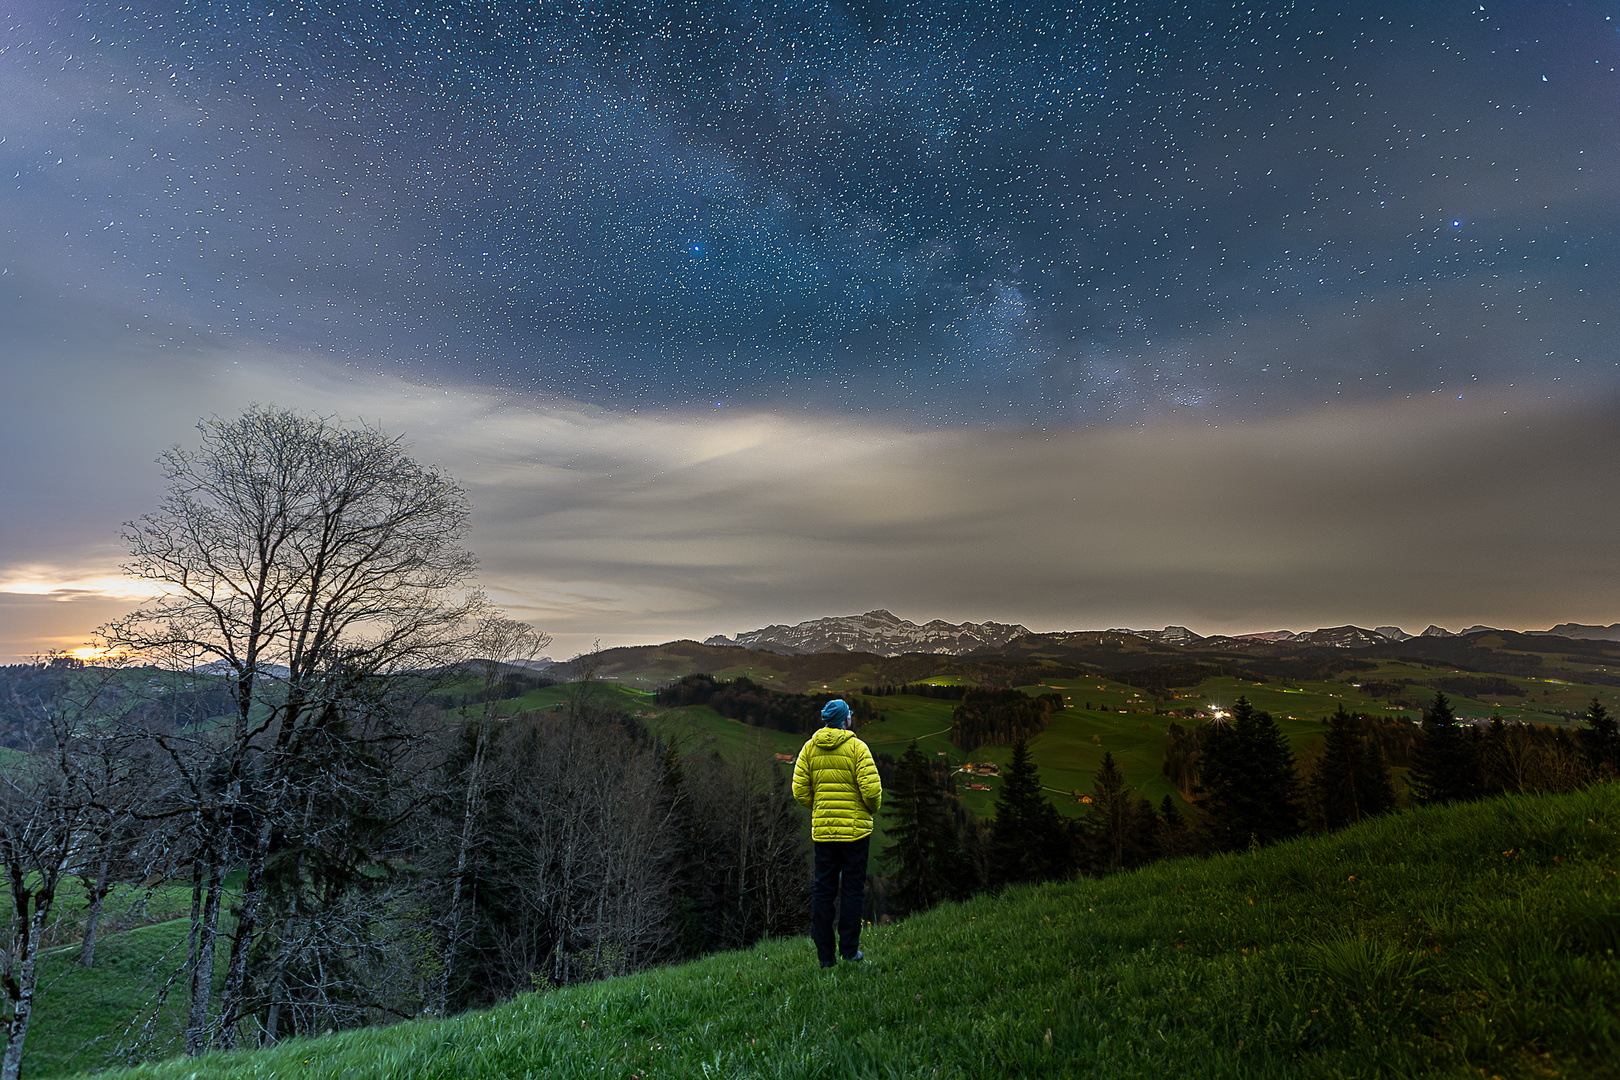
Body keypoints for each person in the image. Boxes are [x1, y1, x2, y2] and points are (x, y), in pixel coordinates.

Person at [791, 698, 883, 968]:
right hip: (855, 835)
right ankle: (850, 951)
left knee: (823, 892)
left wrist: (819, 806)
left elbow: (799, 791)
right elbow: (872, 792)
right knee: (853, 891)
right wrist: (867, 810)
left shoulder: (809, 749)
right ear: (845, 720)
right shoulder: (858, 748)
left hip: (824, 834)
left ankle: (825, 957)